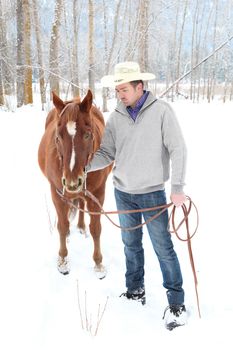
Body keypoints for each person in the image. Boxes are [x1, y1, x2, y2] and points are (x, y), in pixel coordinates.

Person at [87, 61, 187, 330]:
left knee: (163, 249)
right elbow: (107, 153)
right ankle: (135, 290)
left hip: (153, 193)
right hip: (123, 193)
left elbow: (178, 149)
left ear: (139, 87)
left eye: (123, 89)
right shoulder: (116, 117)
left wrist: (177, 188)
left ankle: (177, 304)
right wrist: (83, 168)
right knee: (130, 245)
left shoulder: (162, 112)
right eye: (117, 90)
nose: (119, 94)